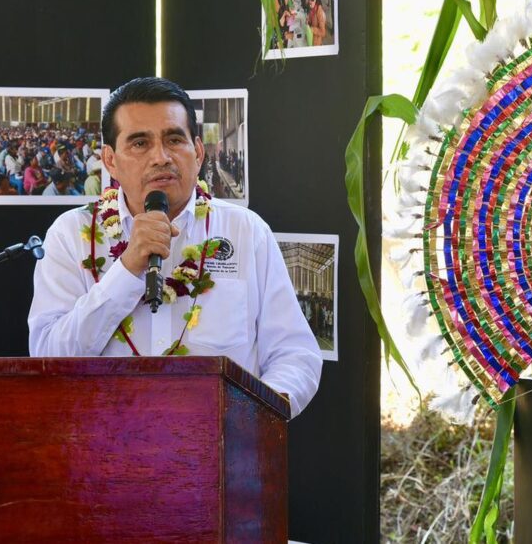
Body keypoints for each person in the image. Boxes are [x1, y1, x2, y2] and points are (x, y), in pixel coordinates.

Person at [28, 77, 321, 417]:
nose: (161, 157)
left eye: (174, 139)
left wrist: (250, 420)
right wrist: (126, 269)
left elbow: (295, 354)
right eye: (139, 143)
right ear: (110, 160)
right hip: (102, 448)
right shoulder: (71, 234)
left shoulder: (245, 232)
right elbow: (48, 357)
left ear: (197, 152)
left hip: (221, 451)